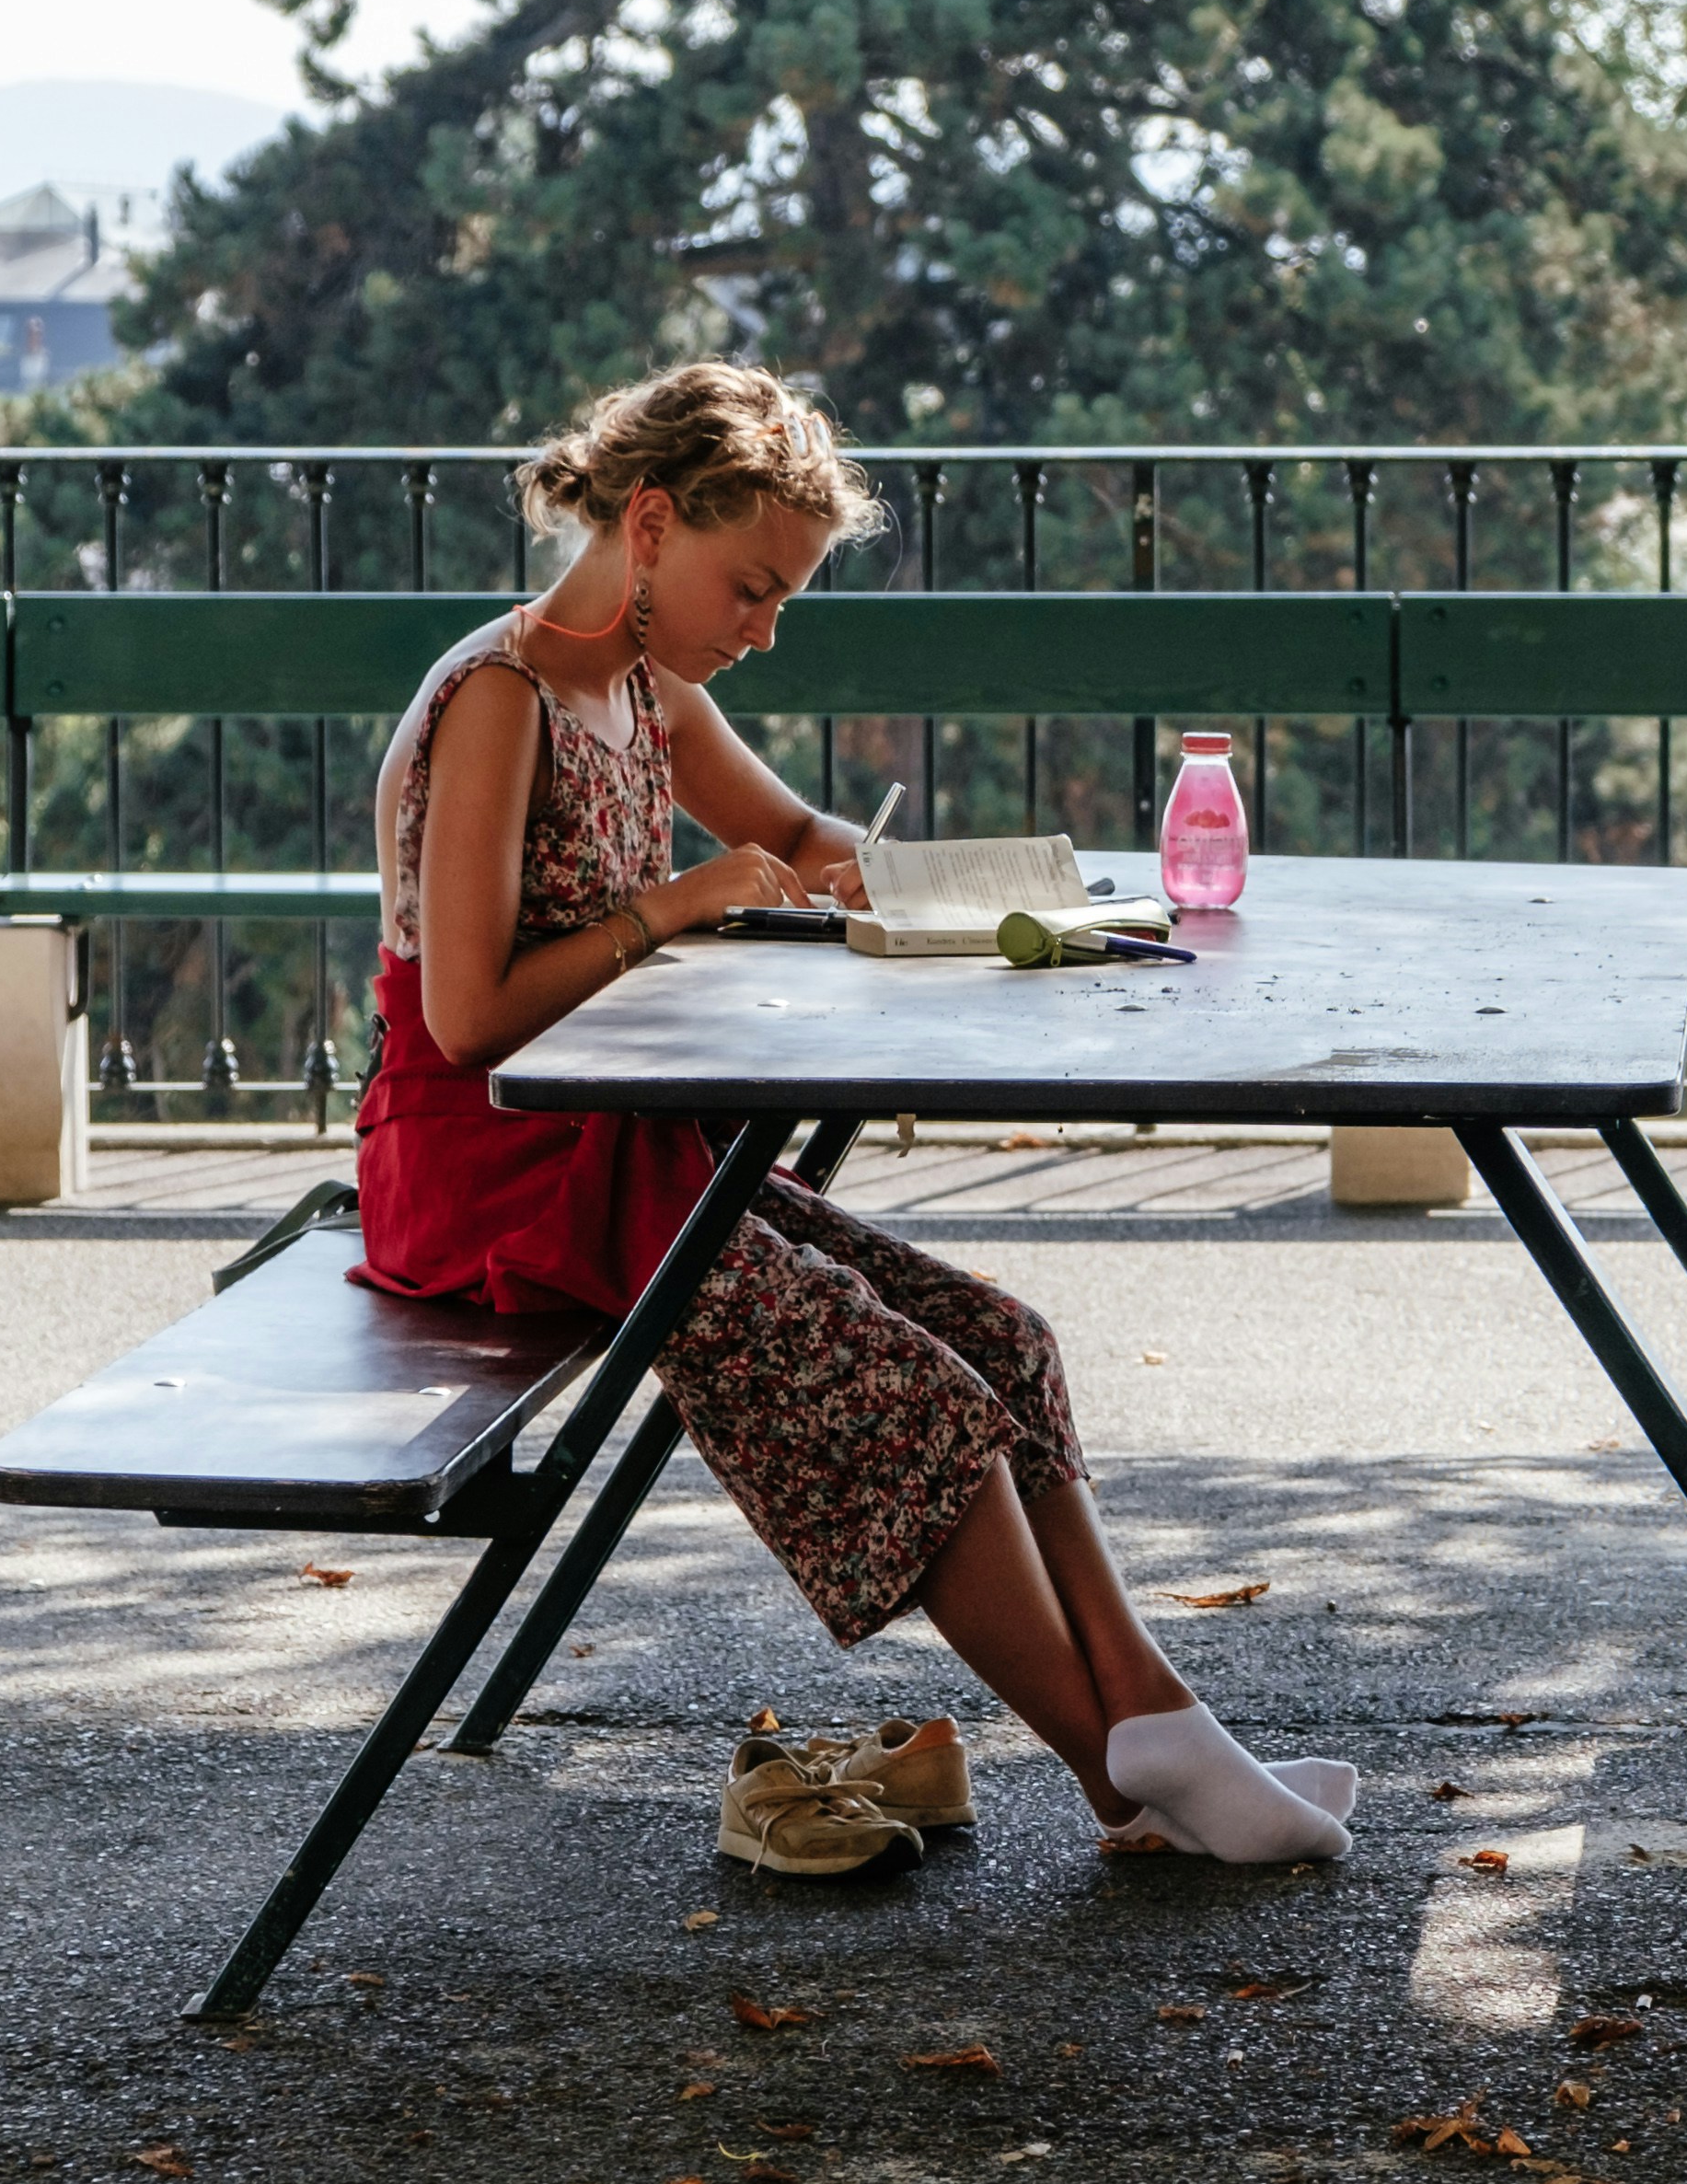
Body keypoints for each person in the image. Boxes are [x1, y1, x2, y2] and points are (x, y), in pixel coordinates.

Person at [356, 361, 1349, 1868]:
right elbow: (468, 1017)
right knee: (899, 1388)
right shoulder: (502, 698)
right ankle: (1119, 1762)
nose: (760, 633)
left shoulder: (644, 690)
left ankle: (1149, 1719)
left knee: (1003, 1340)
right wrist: (675, 902)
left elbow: (812, 842)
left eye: (781, 604)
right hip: (490, 1165)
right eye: (748, 588)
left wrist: (1029, 899)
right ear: (645, 523)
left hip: (619, 1144)